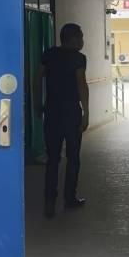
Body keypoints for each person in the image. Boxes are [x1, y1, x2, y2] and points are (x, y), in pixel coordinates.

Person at [33, 23, 89, 219]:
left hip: (52, 112)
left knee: (53, 159)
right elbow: (82, 85)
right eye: (81, 36)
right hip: (71, 113)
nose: (82, 40)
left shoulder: (49, 54)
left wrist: (36, 103)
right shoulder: (79, 58)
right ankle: (69, 199)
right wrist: (86, 113)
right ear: (73, 39)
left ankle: (49, 202)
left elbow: (37, 77)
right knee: (73, 158)